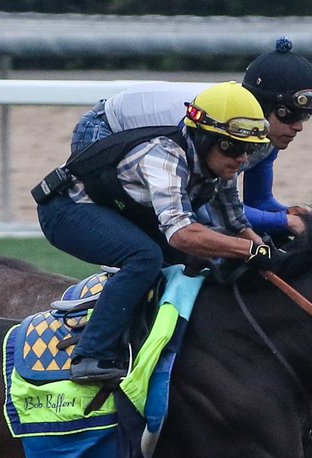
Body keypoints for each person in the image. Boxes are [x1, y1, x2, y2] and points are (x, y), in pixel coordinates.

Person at [35, 81, 278, 384]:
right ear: (203, 139)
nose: (243, 159)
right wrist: (250, 252)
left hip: (110, 208)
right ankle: (91, 354)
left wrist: (274, 260)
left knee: (200, 262)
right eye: (235, 147)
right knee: (144, 257)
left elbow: (236, 226)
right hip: (64, 210)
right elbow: (182, 235)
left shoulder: (221, 167)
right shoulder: (164, 155)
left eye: (250, 149)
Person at [70, 38, 312, 242]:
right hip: (104, 131)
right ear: (262, 104)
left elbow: (256, 203)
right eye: (289, 114)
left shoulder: (261, 131)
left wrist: (293, 214)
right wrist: (286, 222)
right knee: (177, 237)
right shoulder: (220, 122)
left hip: (138, 134)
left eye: (304, 116)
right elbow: (212, 213)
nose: (298, 126)